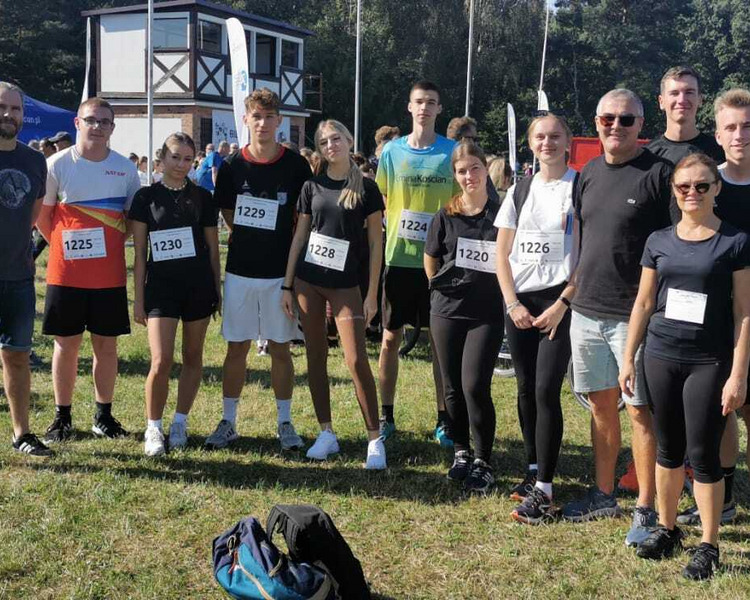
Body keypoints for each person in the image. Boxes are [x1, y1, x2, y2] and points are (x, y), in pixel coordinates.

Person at [619, 153, 750, 580]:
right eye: (683, 186)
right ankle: (668, 528)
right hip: (660, 355)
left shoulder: (734, 241)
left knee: (703, 453)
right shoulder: (658, 240)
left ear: (716, 188)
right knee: (668, 448)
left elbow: (744, 313)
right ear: (674, 191)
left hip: (708, 360)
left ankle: (709, 545)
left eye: (701, 185)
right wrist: (628, 357)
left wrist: (738, 374)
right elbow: (643, 302)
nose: (692, 193)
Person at [561, 89, 673, 549]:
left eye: (626, 119)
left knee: (640, 411)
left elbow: (674, 243)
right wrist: (570, 295)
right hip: (587, 310)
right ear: (596, 121)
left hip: (635, 316)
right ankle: (604, 494)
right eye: (608, 118)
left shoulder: (658, 175)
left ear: (641, 124)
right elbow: (583, 239)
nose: (616, 126)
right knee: (601, 405)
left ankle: (645, 505)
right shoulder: (587, 173)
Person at [209, 88, 312, 450]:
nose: (263, 123)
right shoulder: (232, 166)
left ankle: (285, 423)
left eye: (269, 117)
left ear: (279, 121)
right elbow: (228, 213)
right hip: (240, 271)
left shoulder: (296, 166)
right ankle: (228, 421)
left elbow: (302, 218)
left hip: (279, 275)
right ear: (246, 120)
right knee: (236, 348)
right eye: (257, 116)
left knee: (281, 349)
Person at [281, 119, 386, 469]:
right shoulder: (311, 186)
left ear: (349, 140)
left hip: (346, 285)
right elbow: (299, 237)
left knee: (356, 360)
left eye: (336, 139)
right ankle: (326, 432)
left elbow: (376, 243)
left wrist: (372, 294)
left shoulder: (367, 188)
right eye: (324, 142)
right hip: (308, 282)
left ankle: (374, 438)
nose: (331, 146)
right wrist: (287, 284)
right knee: (315, 357)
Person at [36, 97, 141, 442]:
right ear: (77, 123)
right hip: (65, 274)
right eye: (91, 120)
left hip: (108, 275)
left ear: (113, 128)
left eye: (104, 121)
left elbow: (131, 222)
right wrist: (66, 247)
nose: (97, 127)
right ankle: (62, 417)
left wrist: (104, 245)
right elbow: (43, 218)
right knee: (65, 346)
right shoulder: (56, 164)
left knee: (106, 348)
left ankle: (103, 416)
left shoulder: (126, 169)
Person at [495, 114, 578, 522]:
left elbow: (589, 252)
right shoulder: (520, 189)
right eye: (540, 137)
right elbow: (501, 253)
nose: (548, 143)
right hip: (520, 301)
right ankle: (532, 467)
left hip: (560, 300)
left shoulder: (580, 186)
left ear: (568, 141)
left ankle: (545, 486)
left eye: (555, 136)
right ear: (530, 143)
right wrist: (512, 303)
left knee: (546, 388)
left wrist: (563, 302)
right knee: (526, 386)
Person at [679, 87, 750, 527]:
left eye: (747, 126)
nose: (740, 135)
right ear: (718, 135)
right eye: (731, 127)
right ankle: (722, 503)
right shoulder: (706, 184)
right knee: (721, 412)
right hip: (711, 319)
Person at [375, 80, 457, 444]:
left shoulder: (452, 152)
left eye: (431, 102)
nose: (424, 107)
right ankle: (386, 415)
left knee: (440, 345)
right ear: (410, 107)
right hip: (399, 260)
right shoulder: (392, 152)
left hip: (439, 264)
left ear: (439, 109)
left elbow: (460, 202)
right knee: (390, 339)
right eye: (419, 101)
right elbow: (385, 196)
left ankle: (444, 418)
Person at [130, 133, 221, 456]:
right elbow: (139, 254)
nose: (181, 164)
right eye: (175, 157)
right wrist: (138, 299)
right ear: (161, 159)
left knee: (193, 357)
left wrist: (217, 289)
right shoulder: (146, 197)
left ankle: (180, 421)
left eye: (187, 159)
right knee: (161, 359)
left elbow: (213, 249)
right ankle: (153, 427)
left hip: (198, 286)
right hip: (161, 289)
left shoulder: (203, 197)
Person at [425, 141, 503, 492]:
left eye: (474, 168)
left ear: (485, 169)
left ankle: (484, 460)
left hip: (486, 313)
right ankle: (461, 451)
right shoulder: (446, 214)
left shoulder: (502, 214)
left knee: (474, 386)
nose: (469, 176)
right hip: (447, 311)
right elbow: (431, 256)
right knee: (452, 387)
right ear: (454, 176)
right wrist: (438, 288)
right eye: (461, 171)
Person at [0, 81, 52, 456]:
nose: (8, 114)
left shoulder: (34, 161)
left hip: (18, 277)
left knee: (17, 356)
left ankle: (22, 433)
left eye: (15, 109)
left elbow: (32, 216)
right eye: (2, 107)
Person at [647, 66, 724, 168]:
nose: (682, 100)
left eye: (689, 92)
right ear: (661, 102)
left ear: (700, 99)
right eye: (674, 93)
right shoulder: (648, 156)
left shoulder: (721, 153)